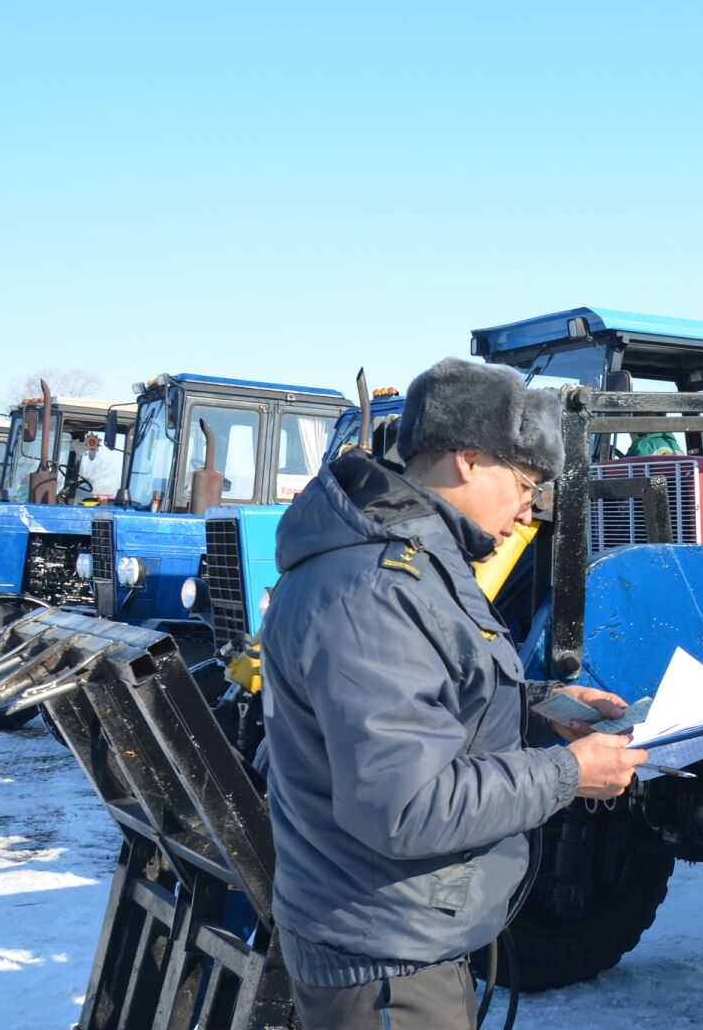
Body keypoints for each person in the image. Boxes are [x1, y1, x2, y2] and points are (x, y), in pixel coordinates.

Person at [261, 357, 647, 1029]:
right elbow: (407, 805)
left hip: (399, 937)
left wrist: (543, 709)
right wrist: (567, 773)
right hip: (385, 963)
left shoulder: (411, 564)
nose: (530, 508)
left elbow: (438, 693)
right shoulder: (380, 589)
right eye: (525, 482)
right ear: (469, 459)